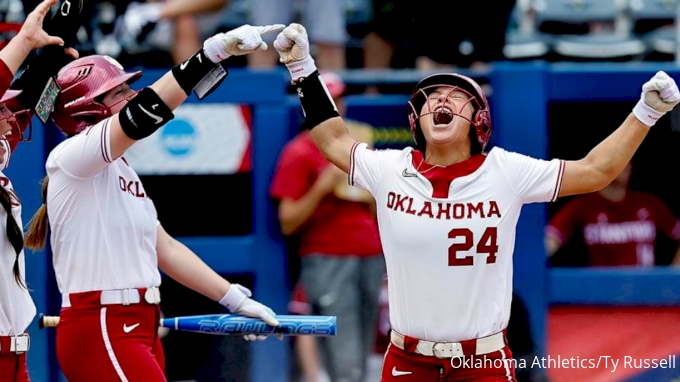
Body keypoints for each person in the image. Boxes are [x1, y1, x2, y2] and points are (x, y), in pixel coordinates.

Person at [272, 23, 680, 381]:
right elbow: (333, 140)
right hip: (407, 360)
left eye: (456, 95)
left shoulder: (506, 171)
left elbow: (595, 171)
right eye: (431, 97)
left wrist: (646, 112)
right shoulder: (389, 169)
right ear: (417, 117)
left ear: (480, 118)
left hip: (483, 362)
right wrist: (302, 69)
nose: (441, 101)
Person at [23, 23, 285, 382]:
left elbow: (166, 249)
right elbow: (146, 112)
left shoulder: (123, 172)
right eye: (118, 91)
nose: (131, 94)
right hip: (102, 322)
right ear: (86, 109)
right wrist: (211, 54)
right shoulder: (69, 157)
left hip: (141, 322)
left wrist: (235, 300)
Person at [270, 70, 384, 382]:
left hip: (371, 253)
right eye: (328, 100)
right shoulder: (299, 151)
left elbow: (378, 211)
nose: (336, 107)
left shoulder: (359, 146)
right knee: (342, 342)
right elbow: (287, 221)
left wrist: (371, 190)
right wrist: (322, 186)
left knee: (365, 339)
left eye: (339, 99)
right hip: (328, 256)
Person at [0, 0, 80, 380]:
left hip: (15, 356)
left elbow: (26, 100)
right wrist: (22, 42)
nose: (6, 113)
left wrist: (49, 53)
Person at [546, 160, 680, 267]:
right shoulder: (583, 206)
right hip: (604, 294)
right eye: (621, 157)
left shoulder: (649, 203)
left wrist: (672, 277)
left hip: (646, 293)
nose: (627, 165)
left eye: (629, 159)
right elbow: (548, 242)